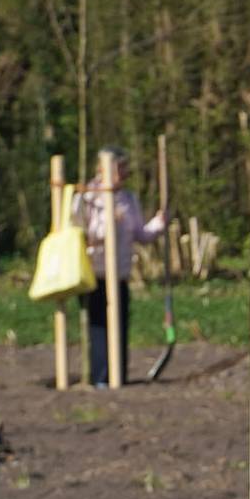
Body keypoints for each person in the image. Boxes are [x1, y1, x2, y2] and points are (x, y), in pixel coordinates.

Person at [68, 146, 166, 389]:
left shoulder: (129, 199)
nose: (124, 173)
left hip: (120, 274)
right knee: (99, 327)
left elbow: (140, 234)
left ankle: (118, 376)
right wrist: (106, 228)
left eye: (124, 168)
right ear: (102, 169)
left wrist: (159, 224)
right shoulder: (87, 198)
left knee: (120, 326)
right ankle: (100, 376)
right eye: (119, 167)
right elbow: (77, 234)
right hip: (94, 274)